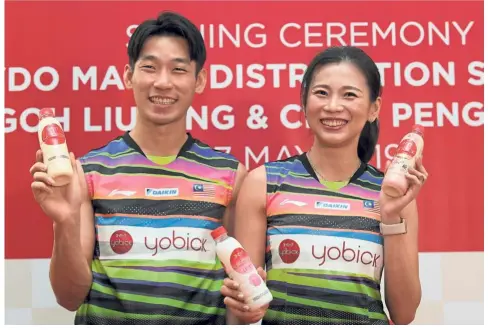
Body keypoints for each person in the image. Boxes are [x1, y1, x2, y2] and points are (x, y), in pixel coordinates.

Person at [29, 11, 247, 325]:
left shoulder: (230, 176)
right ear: (129, 76)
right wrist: (64, 221)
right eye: (149, 67)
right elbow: (69, 297)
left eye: (178, 69)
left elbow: (240, 293)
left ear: (199, 81)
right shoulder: (90, 172)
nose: (162, 82)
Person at [220, 46, 428, 325]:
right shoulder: (264, 182)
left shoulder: (391, 192)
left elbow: (404, 314)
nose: (332, 106)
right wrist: (243, 303)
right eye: (321, 93)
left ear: (373, 108)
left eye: (349, 95)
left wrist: (391, 216)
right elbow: (245, 305)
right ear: (304, 102)